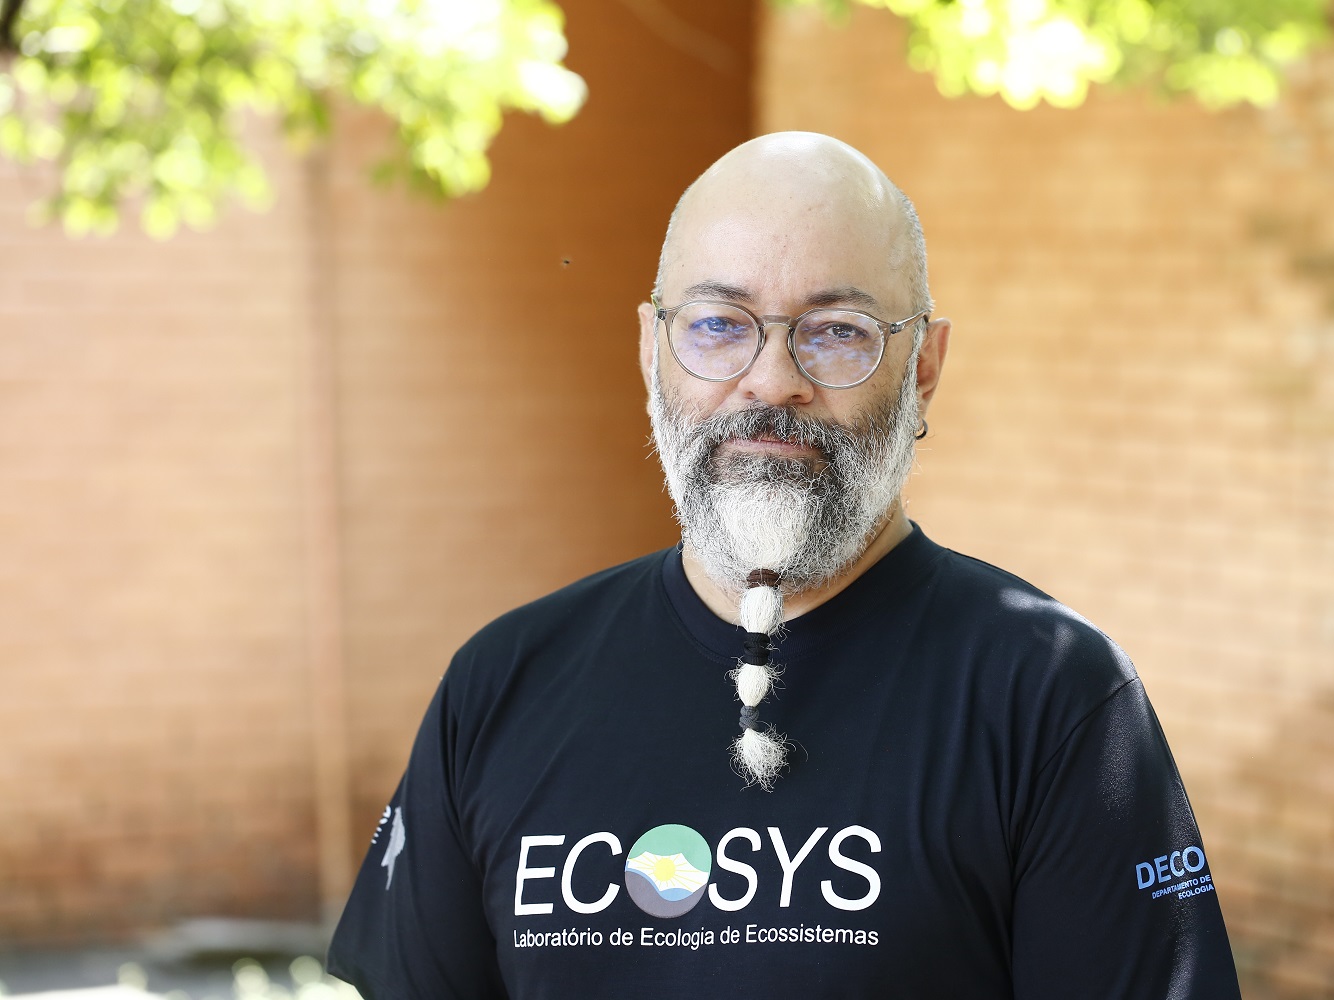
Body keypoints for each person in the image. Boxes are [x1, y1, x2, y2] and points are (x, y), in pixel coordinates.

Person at [327, 132, 1241, 999]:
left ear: (922, 366)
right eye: (720, 324)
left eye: (836, 331)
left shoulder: (1050, 696)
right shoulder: (501, 686)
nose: (771, 381)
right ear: (652, 351)